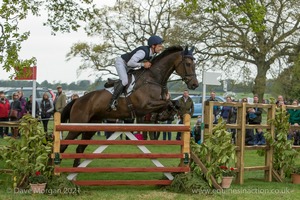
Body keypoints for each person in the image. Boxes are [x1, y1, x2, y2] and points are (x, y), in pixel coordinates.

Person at [108, 35, 164, 111]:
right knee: (124, 81)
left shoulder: (151, 53)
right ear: (153, 46)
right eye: (159, 46)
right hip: (122, 63)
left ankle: (117, 85)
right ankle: (112, 102)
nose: (161, 48)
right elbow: (130, 63)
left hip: (129, 66)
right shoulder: (143, 52)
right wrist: (143, 65)